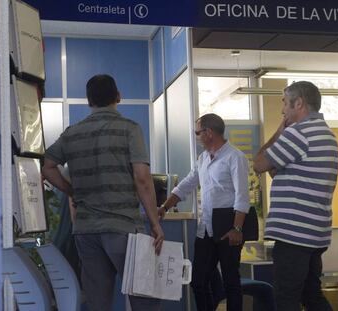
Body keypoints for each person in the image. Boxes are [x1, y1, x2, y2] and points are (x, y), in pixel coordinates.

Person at [42, 74, 164, 311]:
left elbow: (47, 165)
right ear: (118, 97)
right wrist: (155, 222)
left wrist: (72, 191)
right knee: (144, 300)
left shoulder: (72, 133)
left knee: (99, 303)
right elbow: (142, 178)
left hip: (87, 232)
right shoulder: (130, 129)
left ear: (89, 102)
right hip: (123, 228)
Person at [253, 81, 338, 311]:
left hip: (294, 234)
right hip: (315, 233)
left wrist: (279, 132)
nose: (282, 109)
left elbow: (260, 163)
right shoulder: (327, 135)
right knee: (312, 296)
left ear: (298, 103)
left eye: (284, 102)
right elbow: (284, 174)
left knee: (286, 299)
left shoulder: (298, 133)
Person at [159, 113, 250, 311]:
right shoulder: (202, 159)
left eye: (197, 132)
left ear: (209, 133)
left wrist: (237, 228)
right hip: (206, 230)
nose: (196, 136)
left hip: (228, 228)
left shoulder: (235, 157)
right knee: (198, 282)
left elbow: (242, 196)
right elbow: (186, 185)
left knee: (231, 283)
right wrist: (164, 207)